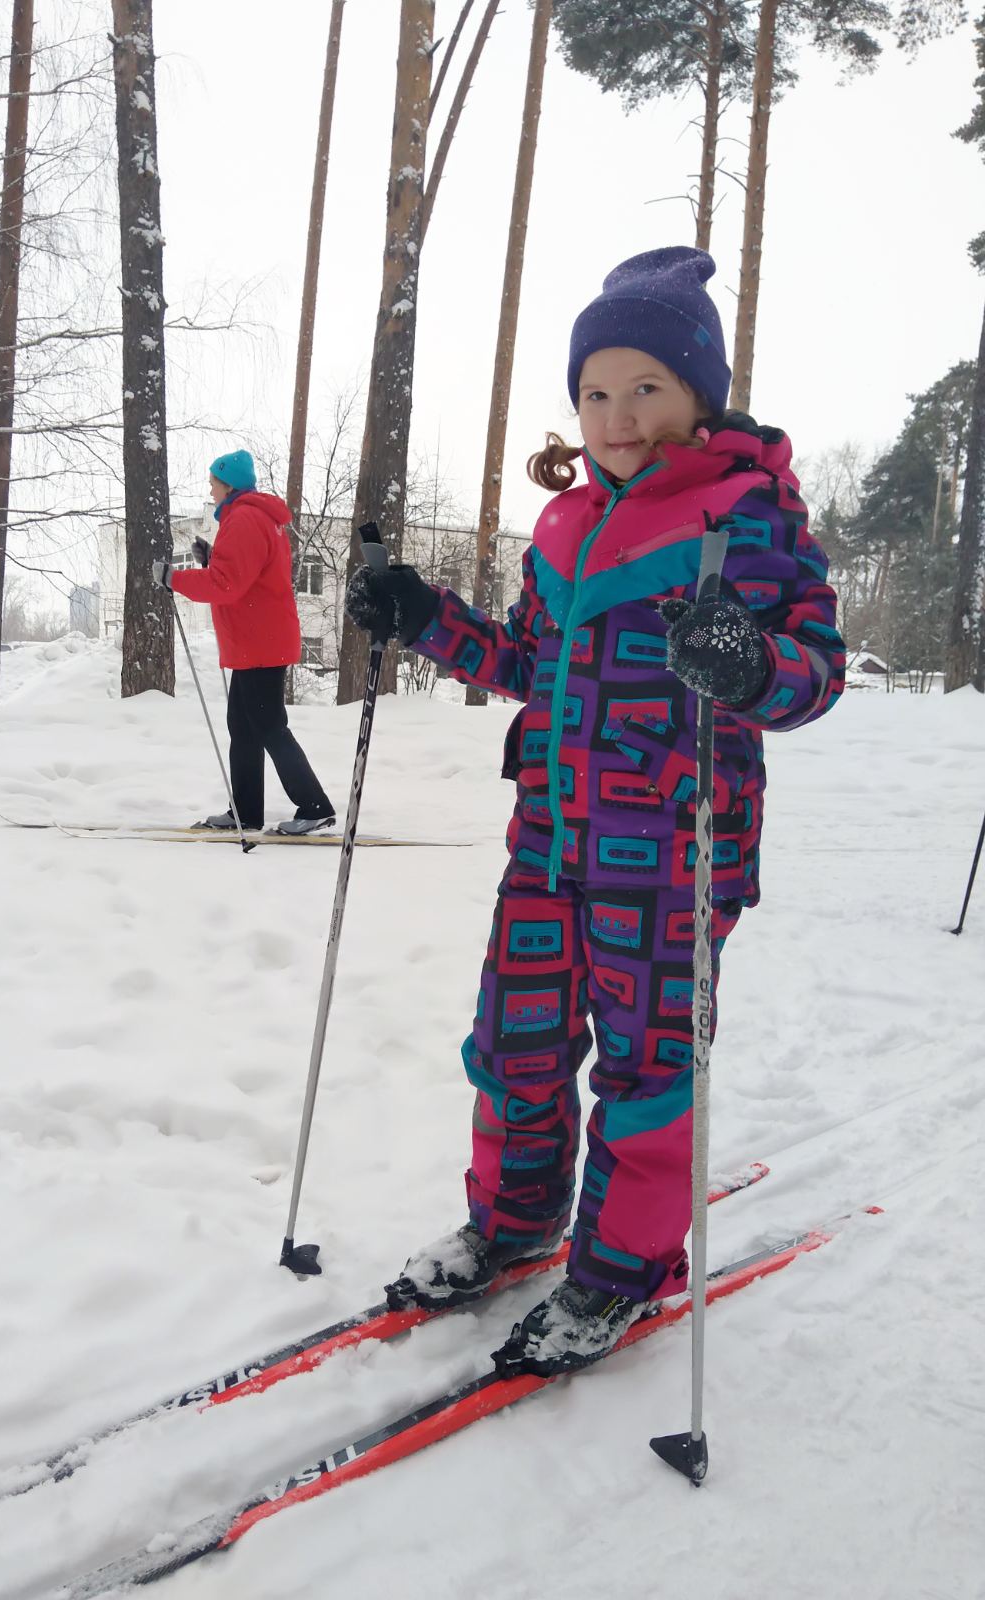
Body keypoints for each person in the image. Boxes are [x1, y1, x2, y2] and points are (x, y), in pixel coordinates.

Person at [345, 247, 844, 1375]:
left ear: (697, 395)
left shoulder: (748, 517)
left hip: (672, 856)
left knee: (645, 1069)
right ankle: (517, 1218)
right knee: (515, 1045)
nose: (616, 415)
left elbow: (815, 669)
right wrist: (424, 616)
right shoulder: (566, 529)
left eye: (645, 388)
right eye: (595, 392)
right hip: (550, 842)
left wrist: (750, 662)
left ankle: (620, 1269)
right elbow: (530, 660)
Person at [153, 449, 335, 836]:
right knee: (245, 725)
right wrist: (213, 557)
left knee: (268, 725)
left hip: (261, 643)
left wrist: (175, 578)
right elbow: (245, 574)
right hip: (258, 640)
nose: (211, 490)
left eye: (214, 483)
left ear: (228, 484)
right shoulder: (251, 518)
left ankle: (315, 805)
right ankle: (247, 811)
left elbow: (228, 585)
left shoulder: (246, 519)